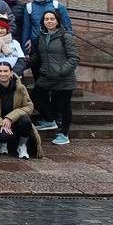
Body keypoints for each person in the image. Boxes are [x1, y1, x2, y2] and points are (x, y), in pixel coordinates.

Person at [33, 9, 79, 146]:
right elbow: (39, 56)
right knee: (36, 96)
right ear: (43, 22)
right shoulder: (42, 36)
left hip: (63, 77)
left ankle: (64, 134)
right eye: (46, 19)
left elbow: (74, 57)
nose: (49, 21)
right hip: (47, 76)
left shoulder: (66, 36)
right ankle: (49, 120)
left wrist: (62, 71)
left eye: (52, 19)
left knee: (63, 106)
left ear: (57, 20)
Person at [0, 62, 40, 159]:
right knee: (3, 136)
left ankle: (22, 145)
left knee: (26, 120)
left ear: (11, 73)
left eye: (6, 71)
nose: (3, 74)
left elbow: (29, 107)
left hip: (16, 121)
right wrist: (0, 123)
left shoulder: (20, 88)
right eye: (0, 71)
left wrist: (10, 118)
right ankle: (3, 143)